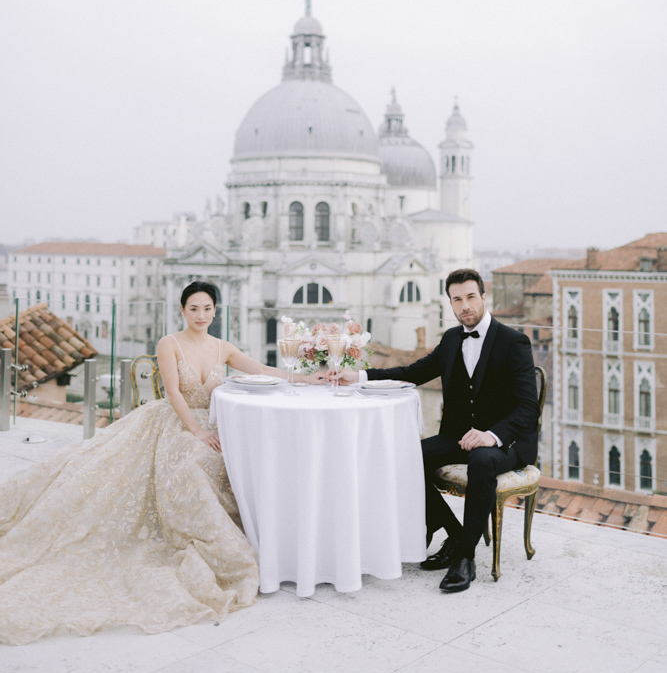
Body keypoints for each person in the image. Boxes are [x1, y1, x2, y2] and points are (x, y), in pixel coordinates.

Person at [0, 281, 321, 644]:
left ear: (215, 311)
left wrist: (308, 378)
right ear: (182, 311)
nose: (201, 315)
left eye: (207, 309)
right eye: (194, 309)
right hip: (175, 420)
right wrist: (196, 431)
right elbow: (172, 392)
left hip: (211, 423)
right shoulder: (169, 343)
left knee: (232, 460)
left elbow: (262, 369)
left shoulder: (223, 347)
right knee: (191, 465)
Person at [334, 268, 539, 593]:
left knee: (483, 461)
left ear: (484, 297)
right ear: (451, 304)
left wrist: (492, 435)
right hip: (458, 436)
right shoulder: (451, 339)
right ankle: (457, 534)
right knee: (405, 458)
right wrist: (360, 376)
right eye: (457, 300)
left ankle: (465, 557)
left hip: (505, 442)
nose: (465, 306)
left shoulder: (514, 342)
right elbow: (414, 372)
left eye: (471, 297)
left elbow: (528, 407)